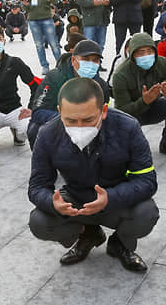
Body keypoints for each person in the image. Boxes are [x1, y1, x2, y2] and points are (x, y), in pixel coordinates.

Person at [28, 78, 158, 271]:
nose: (79, 128)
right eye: (71, 121)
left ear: (103, 111)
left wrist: (110, 198)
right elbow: (37, 186)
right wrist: (52, 203)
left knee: (146, 213)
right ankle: (88, 233)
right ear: (60, 111)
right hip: (76, 199)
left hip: (115, 199)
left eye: (88, 120)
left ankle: (120, 243)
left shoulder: (128, 128)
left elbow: (147, 181)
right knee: (39, 221)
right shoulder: (48, 134)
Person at [112, 33, 166, 160]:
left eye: (149, 51)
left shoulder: (161, 62)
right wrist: (143, 101)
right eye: (140, 52)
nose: (146, 56)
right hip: (132, 115)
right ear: (132, 54)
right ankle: (131, 147)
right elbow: (121, 110)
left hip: (154, 107)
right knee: (129, 152)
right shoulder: (120, 74)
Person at [27, 39, 111, 147]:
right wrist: (70, 120)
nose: (91, 64)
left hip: (89, 125)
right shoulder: (54, 78)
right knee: (35, 129)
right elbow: (38, 111)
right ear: (73, 60)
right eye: (85, 59)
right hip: (58, 122)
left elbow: (105, 110)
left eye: (95, 60)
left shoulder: (101, 85)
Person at [22, 0, 60, 74]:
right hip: (33, 20)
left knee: (54, 43)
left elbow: (57, 0)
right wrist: (25, 4)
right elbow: (24, 6)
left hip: (47, 18)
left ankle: (60, 64)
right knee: (39, 45)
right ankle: (44, 66)